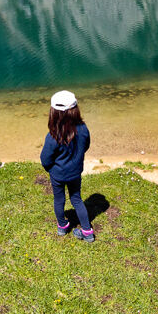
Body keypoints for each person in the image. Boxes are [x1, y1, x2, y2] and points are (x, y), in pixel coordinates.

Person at [40, 89, 94, 242]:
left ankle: (62, 226)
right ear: (75, 110)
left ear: (53, 113)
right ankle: (87, 231)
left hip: (57, 174)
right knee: (76, 198)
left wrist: (50, 169)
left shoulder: (53, 136)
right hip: (75, 172)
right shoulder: (83, 129)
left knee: (59, 199)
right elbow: (86, 146)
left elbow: (45, 159)